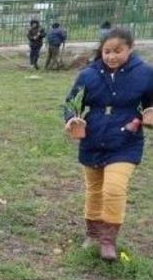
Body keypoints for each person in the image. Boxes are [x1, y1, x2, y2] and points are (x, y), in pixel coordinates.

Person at [63, 28, 153, 261]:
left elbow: (151, 102)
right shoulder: (88, 75)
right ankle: (93, 233)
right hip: (93, 138)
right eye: (107, 51)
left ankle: (108, 240)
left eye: (118, 51)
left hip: (126, 140)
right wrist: (72, 118)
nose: (112, 56)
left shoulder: (144, 73)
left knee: (113, 189)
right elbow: (71, 103)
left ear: (130, 49)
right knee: (94, 189)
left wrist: (149, 114)